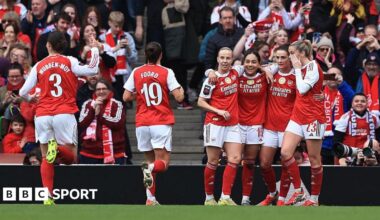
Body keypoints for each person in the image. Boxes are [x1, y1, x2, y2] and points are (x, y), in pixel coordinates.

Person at [19, 31, 100, 205]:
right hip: (64, 113)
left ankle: (48, 196)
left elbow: (22, 92)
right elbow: (92, 69)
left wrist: (30, 98)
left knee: (46, 155)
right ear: (63, 46)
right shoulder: (70, 61)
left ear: (48, 45)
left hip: (42, 115)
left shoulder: (39, 65)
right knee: (71, 157)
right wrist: (94, 50)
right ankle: (56, 149)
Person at [123, 42, 184, 206]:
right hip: (160, 121)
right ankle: (148, 169)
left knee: (150, 159)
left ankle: (150, 199)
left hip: (142, 122)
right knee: (162, 164)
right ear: (161, 55)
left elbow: (126, 97)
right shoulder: (166, 72)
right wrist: (181, 90)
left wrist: (140, 95)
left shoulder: (137, 71)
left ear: (145, 55)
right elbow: (179, 97)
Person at [280, 40, 325, 206]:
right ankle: (298, 191)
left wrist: (298, 69)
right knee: (285, 152)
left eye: (292, 53)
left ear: (301, 53)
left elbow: (302, 89)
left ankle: (314, 199)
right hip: (298, 116)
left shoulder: (312, 66)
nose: (290, 57)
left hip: (313, 118)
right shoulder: (300, 69)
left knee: (314, 159)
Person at [198, 47, 242, 206]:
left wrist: (264, 69)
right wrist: (218, 111)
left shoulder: (236, 73)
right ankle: (209, 198)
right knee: (213, 161)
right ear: (217, 59)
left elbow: (252, 64)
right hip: (215, 123)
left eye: (228, 58)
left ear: (232, 60)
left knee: (235, 158)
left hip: (232, 124)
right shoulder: (211, 79)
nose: (225, 61)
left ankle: (225, 197)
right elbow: (200, 102)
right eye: (222, 58)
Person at [258, 45, 297, 206]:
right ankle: (272, 193)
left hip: (288, 127)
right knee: (264, 163)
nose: (280, 61)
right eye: (277, 58)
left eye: (283, 57)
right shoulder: (270, 73)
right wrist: (263, 68)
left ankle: (281, 199)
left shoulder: (296, 77)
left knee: (285, 162)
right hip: (270, 126)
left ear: (290, 58)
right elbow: (246, 67)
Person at [79, 79, 126, 165]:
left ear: (109, 90)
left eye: (104, 89)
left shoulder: (117, 104)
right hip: (89, 153)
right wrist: (93, 110)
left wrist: (99, 114)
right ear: (94, 91)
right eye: (98, 89)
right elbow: (82, 123)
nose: (101, 91)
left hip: (115, 153)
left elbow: (118, 123)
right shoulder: (87, 104)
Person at [100, 11, 137, 101]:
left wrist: (127, 48)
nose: (118, 29)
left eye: (120, 26)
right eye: (116, 26)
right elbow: (102, 56)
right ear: (109, 23)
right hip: (108, 74)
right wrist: (117, 48)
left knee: (122, 102)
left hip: (123, 75)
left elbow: (134, 59)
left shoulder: (127, 36)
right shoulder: (102, 37)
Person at [333, 93, 380, 166]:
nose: (359, 103)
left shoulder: (375, 117)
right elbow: (336, 141)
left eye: (363, 101)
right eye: (356, 101)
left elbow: (378, 138)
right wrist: (340, 158)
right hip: (350, 154)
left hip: (368, 154)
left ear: (367, 104)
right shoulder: (345, 118)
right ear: (352, 104)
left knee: (373, 142)